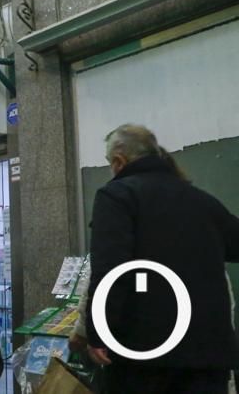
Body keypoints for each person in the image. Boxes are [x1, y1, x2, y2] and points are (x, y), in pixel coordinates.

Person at [84, 125, 239, 394]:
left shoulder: (117, 196)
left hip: (145, 359)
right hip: (208, 361)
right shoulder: (202, 201)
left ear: (119, 161)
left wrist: (98, 333)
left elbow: (112, 271)